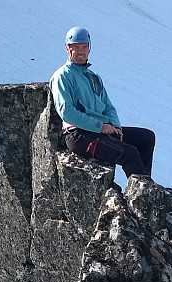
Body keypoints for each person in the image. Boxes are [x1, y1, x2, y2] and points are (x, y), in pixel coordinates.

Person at [49, 27, 155, 178]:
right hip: (79, 134)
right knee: (129, 154)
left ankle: (145, 188)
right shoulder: (62, 76)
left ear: (89, 48)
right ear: (67, 48)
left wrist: (115, 126)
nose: (81, 51)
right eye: (76, 47)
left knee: (146, 138)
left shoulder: (94, 77)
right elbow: (67, 112)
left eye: (84, 47)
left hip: (100, 130)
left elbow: (108, 107)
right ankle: (142, 196)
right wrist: (100, 127)